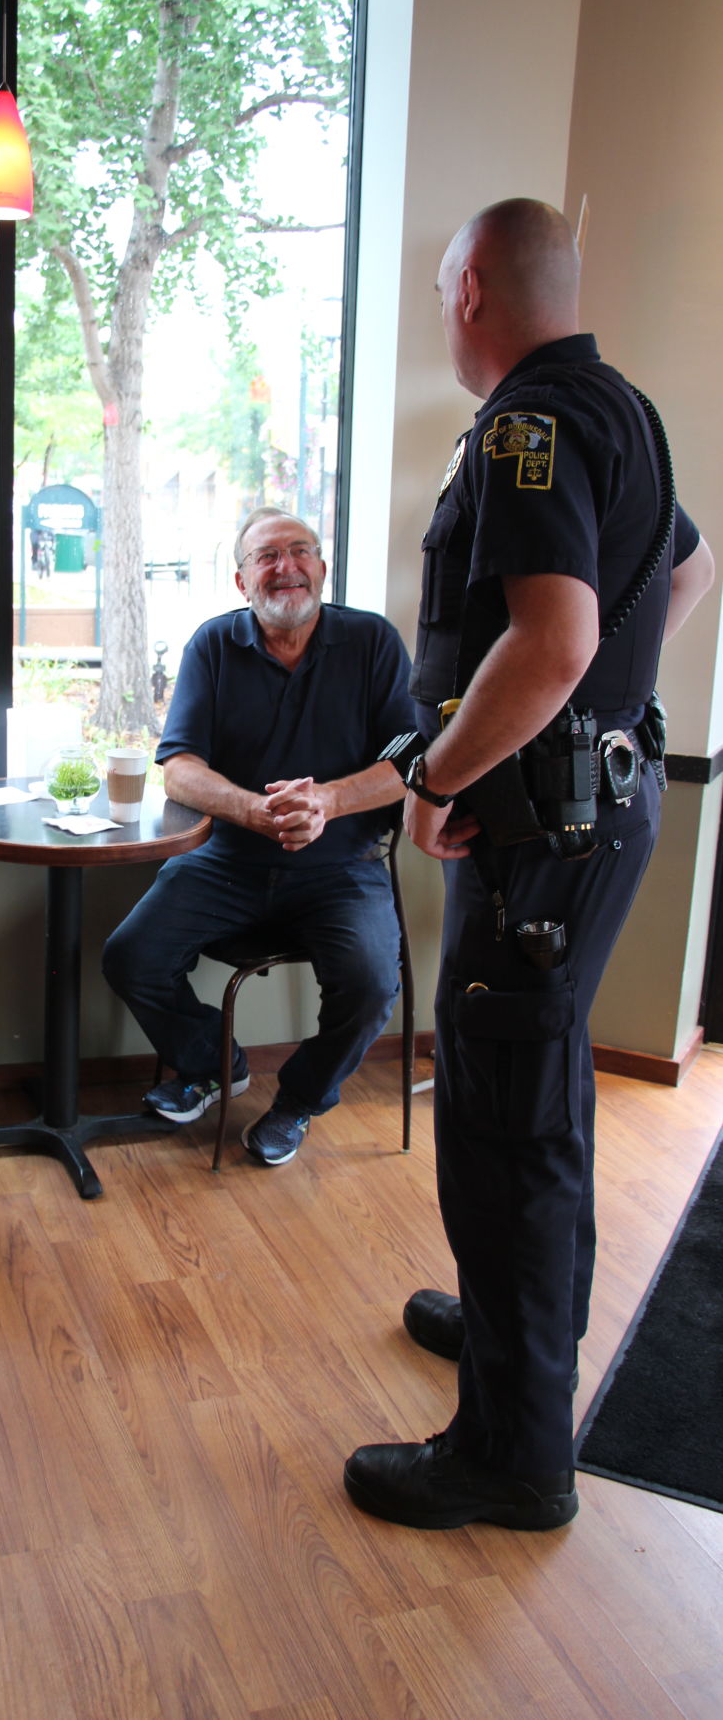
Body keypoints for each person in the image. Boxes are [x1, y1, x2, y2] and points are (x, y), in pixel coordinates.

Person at [344, 199, 714, 1530]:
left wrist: (439, 777)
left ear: (469, 287)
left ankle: (509, 1452)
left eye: (440, 283)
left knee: (504, 1132)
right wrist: (605, 712)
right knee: (534, 1106)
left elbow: (551, 641)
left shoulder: (521, 427)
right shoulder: (623, 408)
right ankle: (518, 1350)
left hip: (532, 838)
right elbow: (682, 569)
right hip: (594, 818)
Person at [102, 507, 417, 1166]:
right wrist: (253, 811)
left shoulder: (372, 642)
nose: (286, 567)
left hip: (342, 866)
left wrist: (326, 802)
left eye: (298, 551)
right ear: (242, 581)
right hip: (225, 861)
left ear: (321, 568)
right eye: (266, 557)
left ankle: (298, 1102)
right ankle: (214, 1066)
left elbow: (406, 765)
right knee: (130, 956)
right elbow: (179, 769)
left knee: (368, 984)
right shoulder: (214, 645)